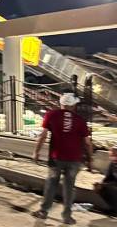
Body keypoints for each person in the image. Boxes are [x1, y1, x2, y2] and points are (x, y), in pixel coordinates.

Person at [32, 93, 93, 225]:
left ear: (61, 104)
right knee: (69, 187)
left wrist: (36, 152)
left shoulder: (51, 115)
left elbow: (42, 136)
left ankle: (43, 211)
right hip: (74, 160)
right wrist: (90, 159)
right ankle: (67, 217)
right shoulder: (80, 120)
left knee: (51, 185)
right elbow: (87, 143)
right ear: (73, 105)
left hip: (56, 158)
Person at [94, 146, 117, 214]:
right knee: (101, 189)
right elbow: (108, 177)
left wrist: (107, 185)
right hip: (114, 184)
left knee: (110, 188)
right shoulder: (112, 164)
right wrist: (100, 184)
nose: (113, 157)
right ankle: (114, 208)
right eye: (112, 155)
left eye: (115, 155)